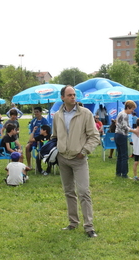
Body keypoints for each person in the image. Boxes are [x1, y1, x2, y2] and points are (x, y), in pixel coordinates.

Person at [52, 85, 100, 238]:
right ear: (62, 97)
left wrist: (84, 151)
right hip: (63, 158)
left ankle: (89, 227)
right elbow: (55, 136)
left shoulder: (85, 113)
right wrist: (55, 150)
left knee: (84, 192)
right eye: (70, 95)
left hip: (79, 159)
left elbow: (94, 136)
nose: (73, 97)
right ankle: (73, 222)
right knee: (69, 192)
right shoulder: (57, 115)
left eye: (74, 94)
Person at [114, 100, 138, 178]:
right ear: (128, 107)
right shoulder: (124, 115)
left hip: (117, 135)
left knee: (120, 155)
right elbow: (125, 126)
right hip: (122, 135)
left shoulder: (121, 113)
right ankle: (124, 174)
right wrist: (134, 131)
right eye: (132, 109)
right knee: (124, 156)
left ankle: (118, 172)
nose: (132, 111)